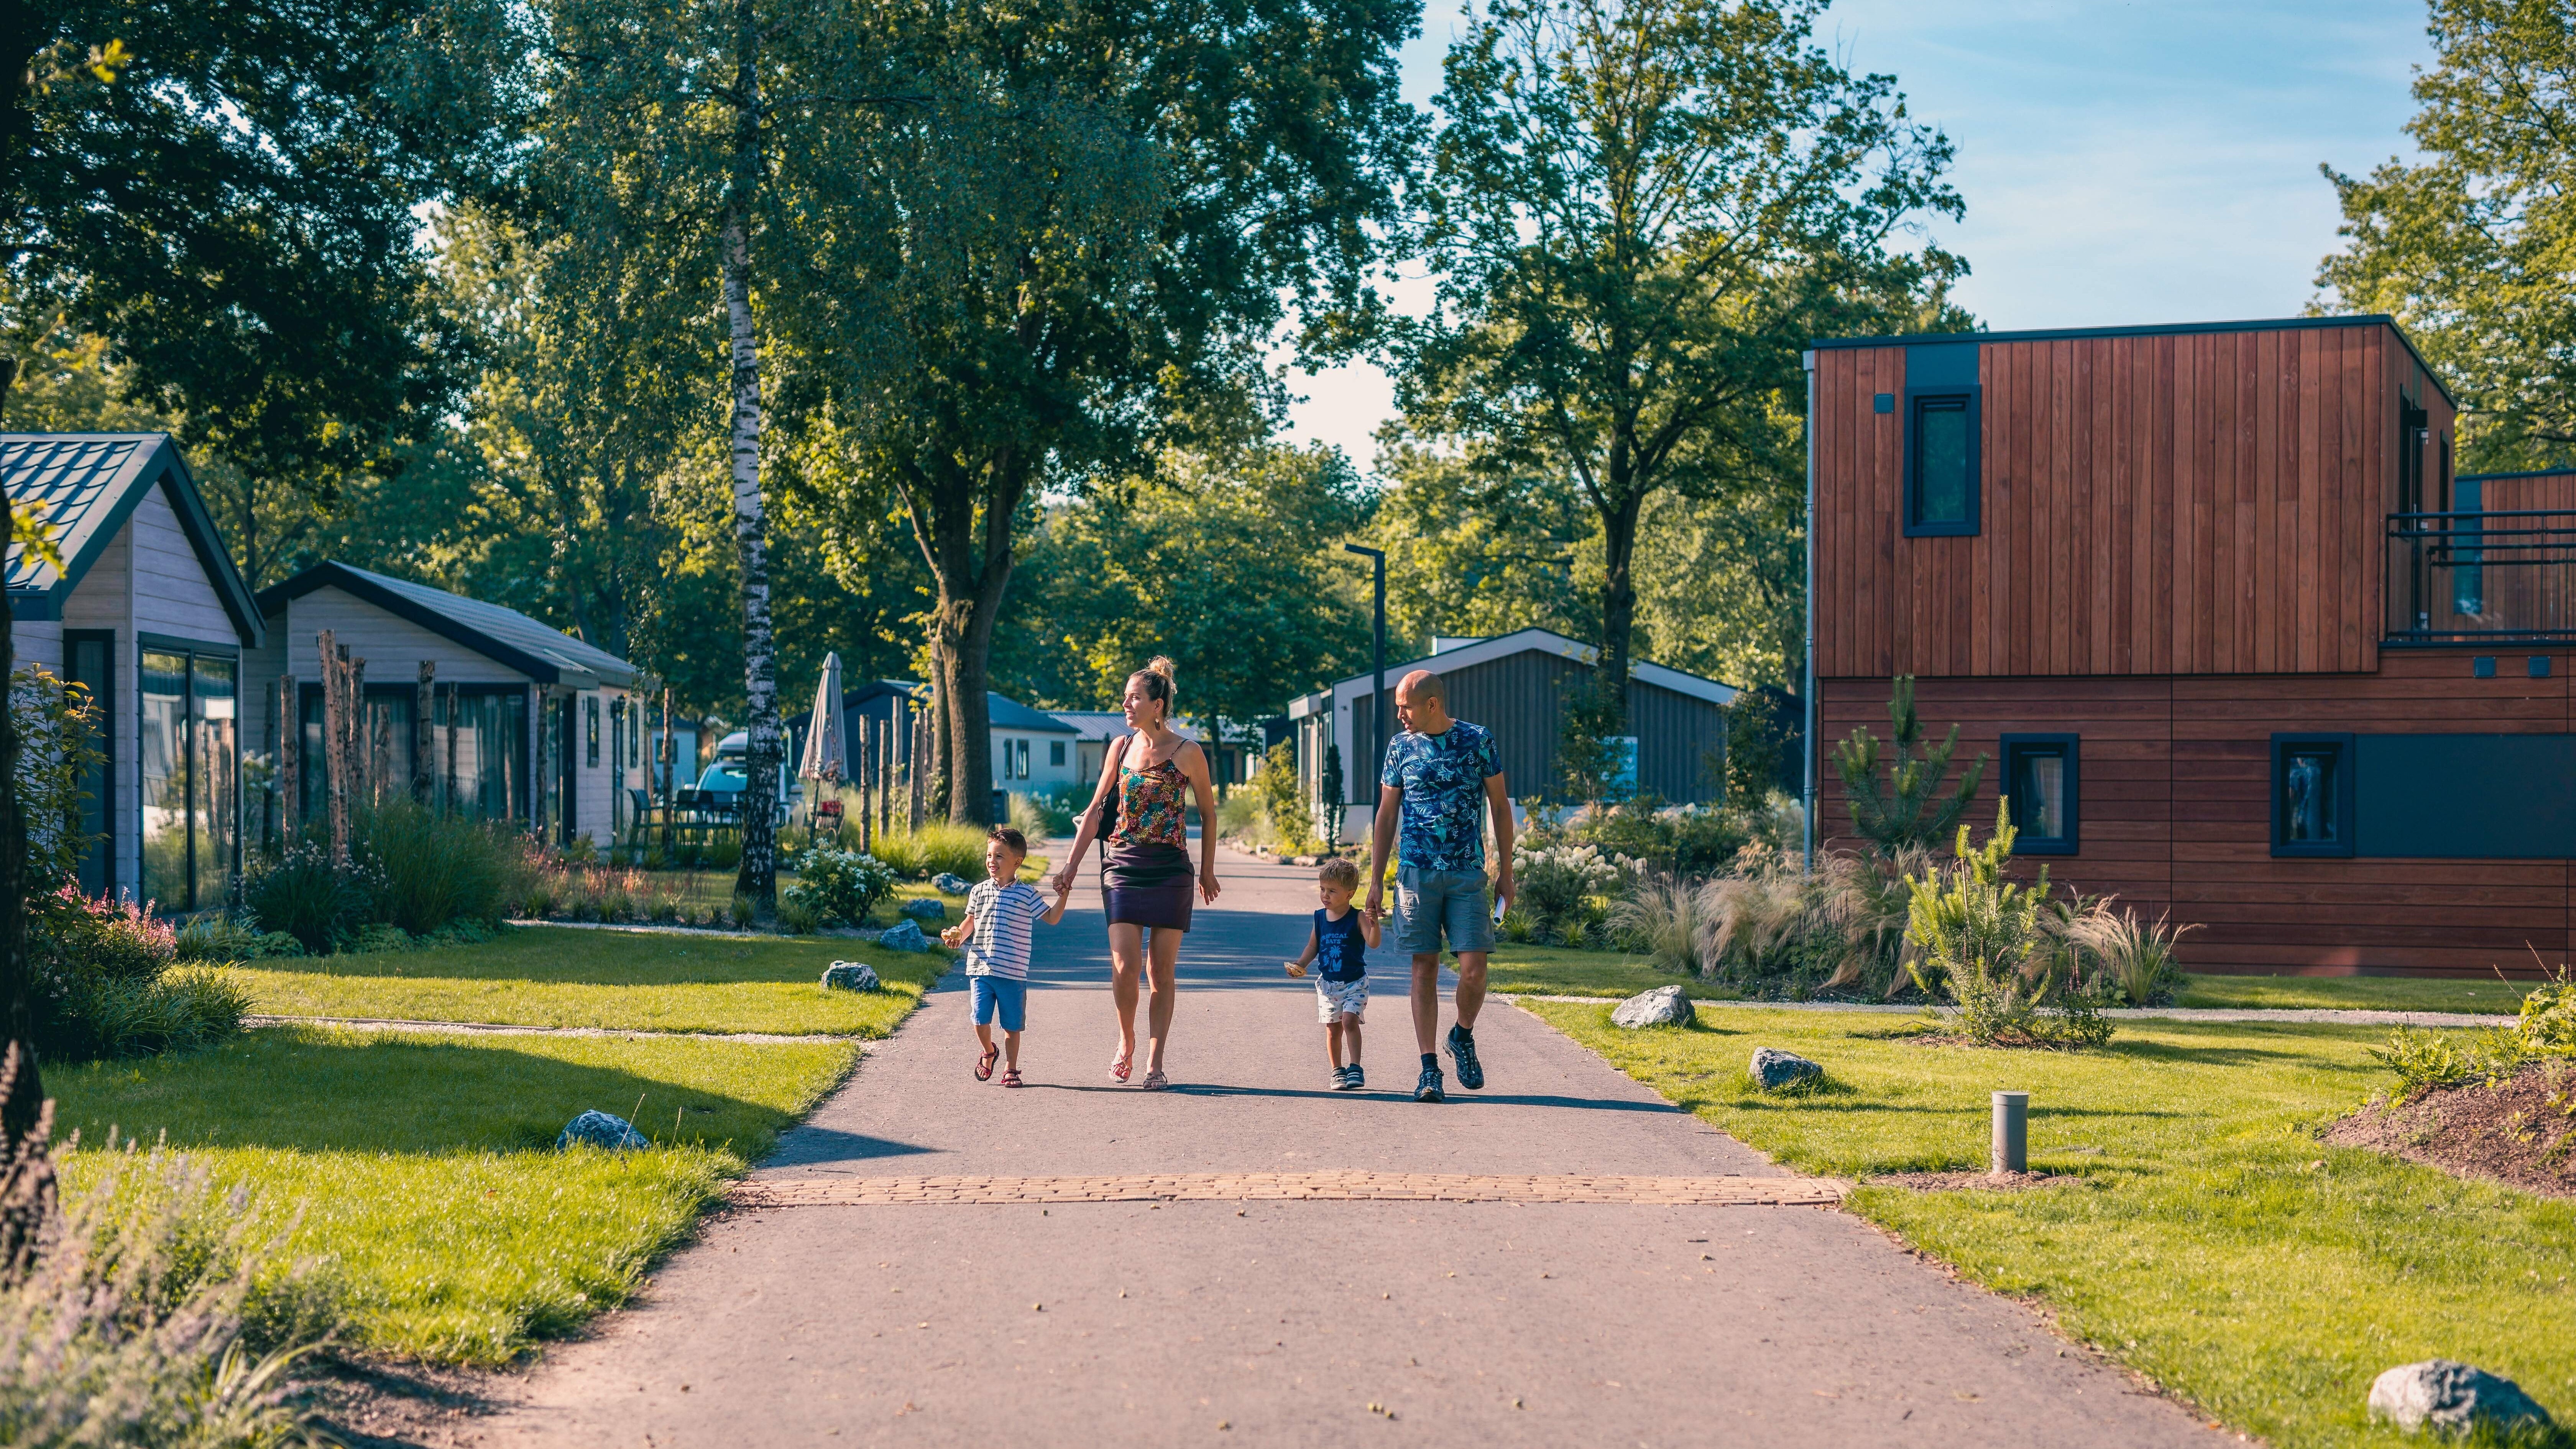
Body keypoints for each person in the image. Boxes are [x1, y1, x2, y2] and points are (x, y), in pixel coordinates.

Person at [1049, 656, 1222, 1091]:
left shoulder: (1188, 752)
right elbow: (1095, 810)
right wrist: (1070, 865)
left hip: (1170, 870)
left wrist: (1207, 871)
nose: (1126, 704)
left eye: (1134, 698)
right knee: (1125, 964)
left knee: (1160, 971)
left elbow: (1209, 813)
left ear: (1157, 704)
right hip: (1122, 864)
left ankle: (1155, 1061)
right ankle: (1126, 1041)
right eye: (1125, 697)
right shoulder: (1120, 748)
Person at [1364, 669, 1515, 1104]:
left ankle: (1462, 1035)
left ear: (1432, 704)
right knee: (1424, 969)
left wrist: (1507, 871)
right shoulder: (1400, 747)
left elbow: (1500, 807)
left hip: (1467, 874)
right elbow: (1386, 815)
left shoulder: (1478, 740)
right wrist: (1376, 880)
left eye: (1405, 706)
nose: (1400, 715)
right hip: (1415, 874)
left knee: (1474, 969)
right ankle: (1429, 1069)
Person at [941, 825, 1073, 1088]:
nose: (992, 861)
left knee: (1012, 1026)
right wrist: (959, 936)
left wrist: (1064, 895)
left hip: (1012, 973)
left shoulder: (1026, 894)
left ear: (1017, 862)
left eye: (1000, 856)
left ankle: (1011, 1069)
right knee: (979, 1020)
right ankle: (989, 1051)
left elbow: (1052, 918)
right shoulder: (979, 891)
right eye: (990, 855)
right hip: (980, 967)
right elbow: (970, 922)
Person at [1283, 858, 1381, 1090]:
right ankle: (1337, 1071)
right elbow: (1313, 947)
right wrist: (1301, 964)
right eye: (1322, 890)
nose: (1325, 896)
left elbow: (1374, 943)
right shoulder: (1320, 917)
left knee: (1349, 1020)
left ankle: (1355, 1068)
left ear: (1350, 894)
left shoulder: (1357, 917)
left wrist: (1375, 924)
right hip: (1329, 986)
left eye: (1332, 891)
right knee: (1333, 1028)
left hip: (1355, 983)